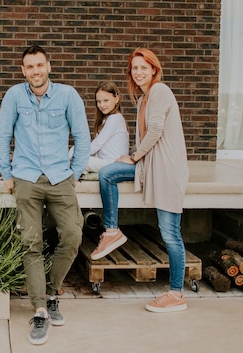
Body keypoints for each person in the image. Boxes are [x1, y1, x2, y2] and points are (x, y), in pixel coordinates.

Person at [0, 45, 90, 345]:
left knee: (73, 235)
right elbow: (2, 136)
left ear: (48, 66)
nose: (35, 71)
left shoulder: (68, 95)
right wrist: (7, 173)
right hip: (26, 178)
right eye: (29, 67)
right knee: (30, 242)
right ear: (23, 71)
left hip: (61, 178)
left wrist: (75, 171)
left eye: (39, 65)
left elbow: (83, 136)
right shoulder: (14, 96)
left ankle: (51, 292)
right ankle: (39, 308)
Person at [91, 48, 189, 313]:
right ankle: (112, 231)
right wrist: (132, 158)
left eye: (144, 67)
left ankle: (176, 294)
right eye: (134, 68)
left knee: (170, 234)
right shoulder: (144, 98)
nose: (139, 72)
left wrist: (134, 156)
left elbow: (156, 130)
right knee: (108, 173)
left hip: (166, 171)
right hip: (150, 166)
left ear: (154, 69)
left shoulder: (159, 91)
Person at [70, 81, 129, 173]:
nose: (102, 105)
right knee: (76, 150)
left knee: (79, 158)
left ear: (116, 99)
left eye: (106, 101)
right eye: (99, 101)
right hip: (105, 161)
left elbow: (97, 144)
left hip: (113, 163)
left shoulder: (115, 119)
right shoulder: (107, 119)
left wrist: (78, 154)